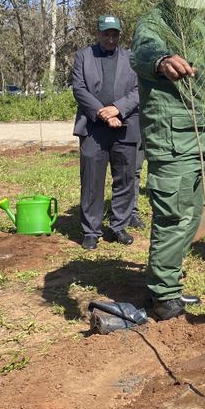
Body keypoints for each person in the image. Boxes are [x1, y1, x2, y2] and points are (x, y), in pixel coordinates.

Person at [130, 0, 205, 320]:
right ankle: (164, 297)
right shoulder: (152, 23)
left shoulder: (196, 25)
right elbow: (143, 52)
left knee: (191, 216)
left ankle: (168, 284)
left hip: (198, 139)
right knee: (173, 216)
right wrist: (161, 60)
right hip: (172, 141)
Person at [71, 15, 140, 250]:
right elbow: (79, 88)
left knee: (125, 179)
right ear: (98, 33)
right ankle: (91, 230)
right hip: (93, 129)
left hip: (125, 126)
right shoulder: (84, 56)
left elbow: (139, 89)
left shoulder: (131, 58)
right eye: (106, 34)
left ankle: (119, 226)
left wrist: (118, 110)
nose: (111, 38)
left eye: (115, 34)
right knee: (91, 181)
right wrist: (102, 112)